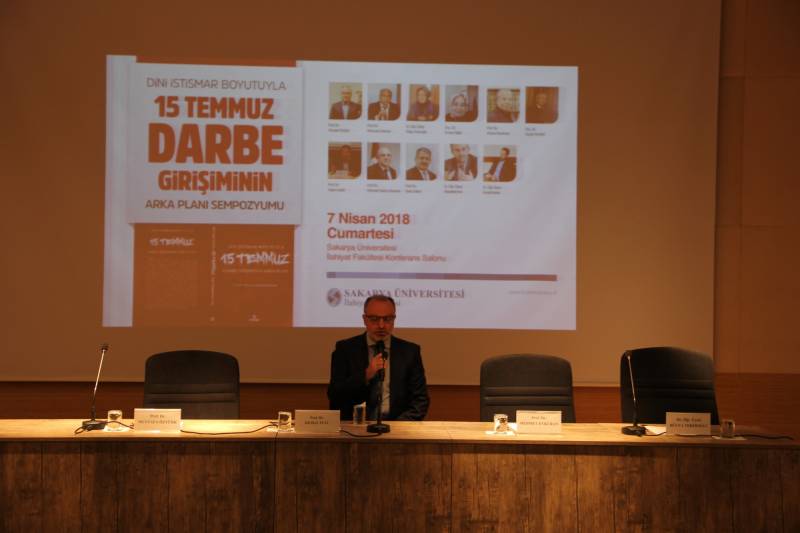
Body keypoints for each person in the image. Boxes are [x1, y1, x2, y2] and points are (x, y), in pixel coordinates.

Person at [328, 295, 430, 421]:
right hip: (355, 425)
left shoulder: (410, 352)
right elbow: (335, 396)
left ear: (394, 319)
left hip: (398, 426)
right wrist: (365, 375)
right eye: (374, 319)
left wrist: (398, 426)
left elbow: (420, 400)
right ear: (364, 319)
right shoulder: (345, 349)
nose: (381, 325)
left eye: (387, 319)